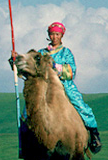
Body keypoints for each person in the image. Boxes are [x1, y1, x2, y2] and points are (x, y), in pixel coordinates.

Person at [43, 21, 101, 152]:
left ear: (61, 35)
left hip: (64, 85)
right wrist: (16, 60)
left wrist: (55, 66)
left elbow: (71, 72)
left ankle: (94, 135)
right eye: (52, 34)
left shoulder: (66, 53)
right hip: (46, 86)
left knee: (80, 105)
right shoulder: (41, 53)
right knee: (29, 110)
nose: (54, 37)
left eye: (57, 34)